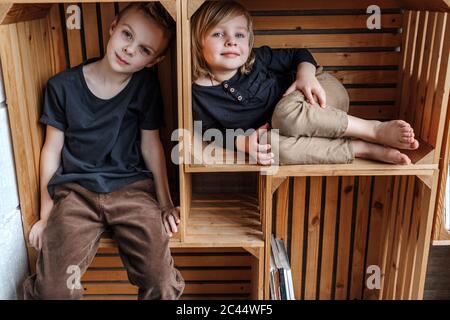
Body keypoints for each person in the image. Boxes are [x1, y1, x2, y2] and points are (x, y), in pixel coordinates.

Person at [23, 3, 184, 300]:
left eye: (144, 49)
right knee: (54, 289)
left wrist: (165, 203)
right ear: (112, 28)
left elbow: (151, 144)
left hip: (132, 191)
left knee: (159, 281)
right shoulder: (62, 87)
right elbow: (51, 149)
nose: (130, 49)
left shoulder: (144, 87)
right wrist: (46, 214)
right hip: (76, 195)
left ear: (154, 60)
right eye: (126, 35)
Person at [191, 1, 419, 166]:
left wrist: (306, 76)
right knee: (270, 146)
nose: (231, 41)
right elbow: (210, 132)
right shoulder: (197, 94)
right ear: (198, 41)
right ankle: (361, 148)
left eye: (240, 35)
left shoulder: (257, 59)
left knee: (284, 115)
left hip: (322, 93)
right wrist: (243, 144)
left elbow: (300, 53)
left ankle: (374, 129)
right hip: (299, 132)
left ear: (249, 43)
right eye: (219, 34)